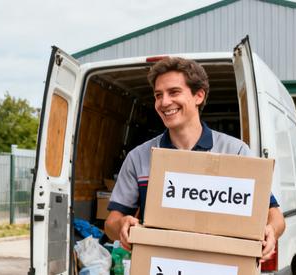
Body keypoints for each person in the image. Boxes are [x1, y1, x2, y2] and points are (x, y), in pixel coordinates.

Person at [103, 57, 286, 263]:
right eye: (158, 95)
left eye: (174, 92)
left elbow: (275, 215)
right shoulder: (139, 157)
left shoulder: (235, 152)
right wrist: (122, 225)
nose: (164, 102)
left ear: (199, 95)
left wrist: (271, 230)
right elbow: (111, 223)